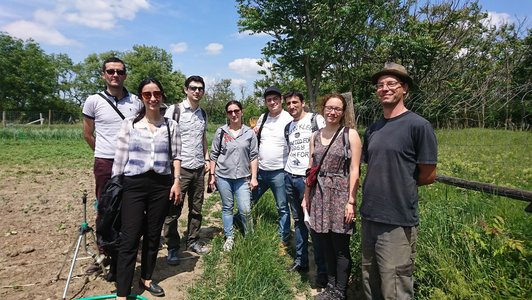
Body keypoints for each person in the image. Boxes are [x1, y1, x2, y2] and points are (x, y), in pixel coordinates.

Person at [360, 62, 437, 299]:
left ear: (404, 88)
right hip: (370, 216)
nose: (385, 88)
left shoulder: (418, 126)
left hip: (397, 219)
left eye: (391, 83)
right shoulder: (373, 129)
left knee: (395, 285)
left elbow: (428, 175)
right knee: (369, 281)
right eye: (380, 85)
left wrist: (400, 187)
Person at [112, 78, 181, 299]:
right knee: (130, 237)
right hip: (134, 185)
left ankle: (146, 277)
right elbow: (120, 157)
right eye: (147, 94)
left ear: (162, 95)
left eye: (157, 93)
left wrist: (176, 181)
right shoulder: (130, 124)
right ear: (141, 97)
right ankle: (122, 291)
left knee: (153, 235)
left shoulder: (171, 125)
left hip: (161, 185)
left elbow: (176, 156)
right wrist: (115, 186)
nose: (152, 98)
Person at [82, 56, 142, 277]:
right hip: (105, 163)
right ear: (103, 74)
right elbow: (87, 134)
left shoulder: (136, 102)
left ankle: (129, 249)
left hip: (132, 163)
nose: (115, 75)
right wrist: (104, 153)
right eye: (110, 71)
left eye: (119, 71)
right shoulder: (93, 101)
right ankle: (104, 253)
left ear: (125, 75)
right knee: (106, 208)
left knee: (131, 208)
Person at [302, 93, 362, 300]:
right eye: (329, 107)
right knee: (324, 242)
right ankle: (331, 285)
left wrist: (351, 201)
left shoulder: (350, 134)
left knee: (340, 246)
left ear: (343, 112)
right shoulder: (315, 136)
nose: (333, 112)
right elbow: (311, 170)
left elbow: (355, 169)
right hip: (319, 194)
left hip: (340, 196)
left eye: (337, 109)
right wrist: (306, 196)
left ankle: (340, 290)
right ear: (323, 108)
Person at [163, 75, 210, 264]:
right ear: (185, 90)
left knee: (196, 209)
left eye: (200, 88)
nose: (197, 91)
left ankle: (192, 241)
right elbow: (163, 137)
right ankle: (173, 247)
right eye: (193, 88)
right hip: (179, 169)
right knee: (173, 210)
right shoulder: (174, 111)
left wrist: (206, 158)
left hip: (198, 168)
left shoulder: (203, 114)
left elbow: (203, 138)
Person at [283, 91, 328, 287]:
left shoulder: (315, 120)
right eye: (289, 104)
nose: (292, 106)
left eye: (295, 102)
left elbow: (326, 144)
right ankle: (301, 261)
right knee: (298, 221)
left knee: (314, 224)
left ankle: (322, 269)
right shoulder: (288, 127)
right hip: (290, 176)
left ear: (302, 103)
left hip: (308, 179)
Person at [209, 101, 258, 251]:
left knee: (245, 209)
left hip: (243, 177)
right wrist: (212, 175)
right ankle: (229, 236)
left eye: (236, 111)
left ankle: (249, 236)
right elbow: (214, 154)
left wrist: (254, 177)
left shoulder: (249, 133)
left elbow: (254, 156)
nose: (233, 114)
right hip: (223, 176)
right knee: (227, 208)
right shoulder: (221, 132)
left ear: (241, 112)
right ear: (227, 114)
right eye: (230, 112)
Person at [252, 86, 293, 251]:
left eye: (275, 99)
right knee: (249, 199)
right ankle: (237, 225)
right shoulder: (263, 118)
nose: (272, 102)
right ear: (265, 102)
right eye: (269, 100)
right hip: (261, 170)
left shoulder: (289, 118)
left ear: (281, 99)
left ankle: (283, 238)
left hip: (280, 171)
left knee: (282, 207)